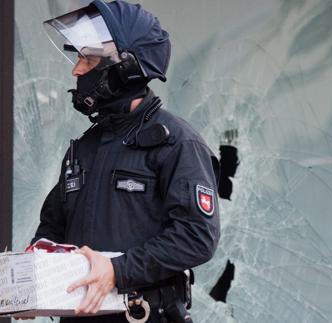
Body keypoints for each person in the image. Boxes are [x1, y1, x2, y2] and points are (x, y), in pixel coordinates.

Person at [33, 1, 220, 322]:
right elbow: (52, 226)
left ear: (126, 68)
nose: (76, 71)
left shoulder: (175, 142)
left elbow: (197, 237)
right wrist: (32, 282)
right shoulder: (85, 147)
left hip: (145, 315)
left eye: (88, 59)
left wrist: (118, 271)